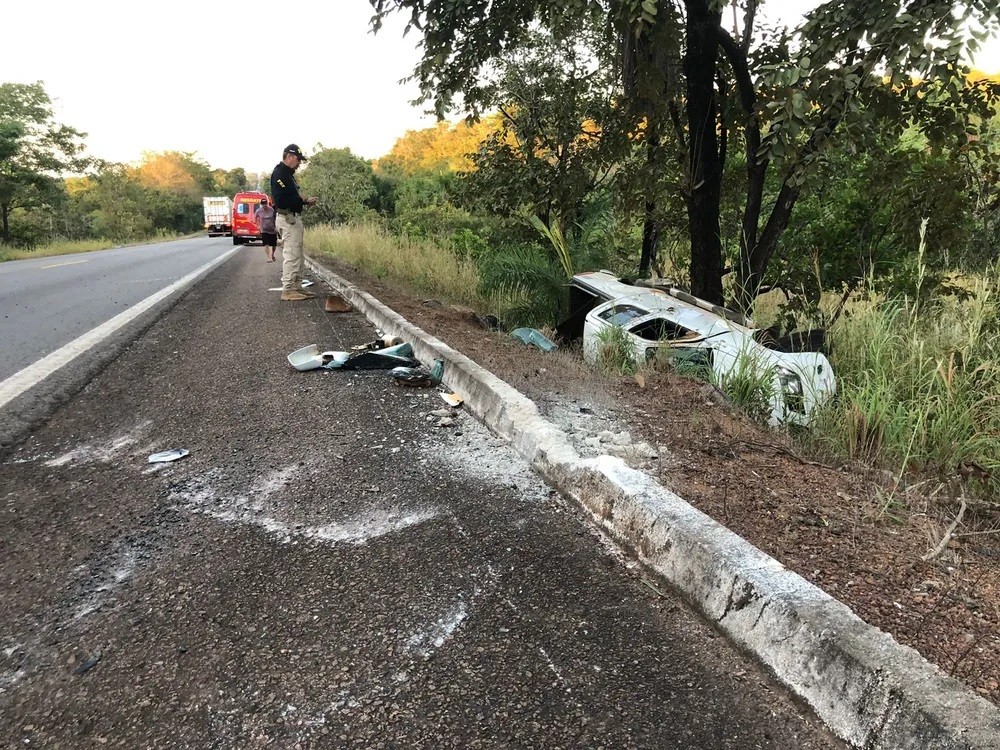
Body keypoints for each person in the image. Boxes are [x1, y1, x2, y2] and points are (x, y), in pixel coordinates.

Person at [270, 144, 318, 301]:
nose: (299, 163)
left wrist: (302, 202)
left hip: (293, 218)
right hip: (287, 219)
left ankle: (297, 287)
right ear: (289, 156)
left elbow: (289, 197)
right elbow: (282, 199)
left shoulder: (288, 174)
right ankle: (288, 289)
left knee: (297, 254)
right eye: (298, 159)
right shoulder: (280, 174)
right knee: (291, 255)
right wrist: (302, 200)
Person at [254, 197, 278, 262]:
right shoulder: (258, 211)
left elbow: (276, 218)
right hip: (264, 230)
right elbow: (255, 218)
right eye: (263, 204)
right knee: (266, 244)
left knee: (274, 244)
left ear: (267, 204)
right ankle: (269, 258)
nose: (264, 205)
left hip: (272, 230)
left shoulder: (271, 210)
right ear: (261, 204)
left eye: (265, 204)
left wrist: (276, 226)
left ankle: (272, 254)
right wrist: (258, 225)